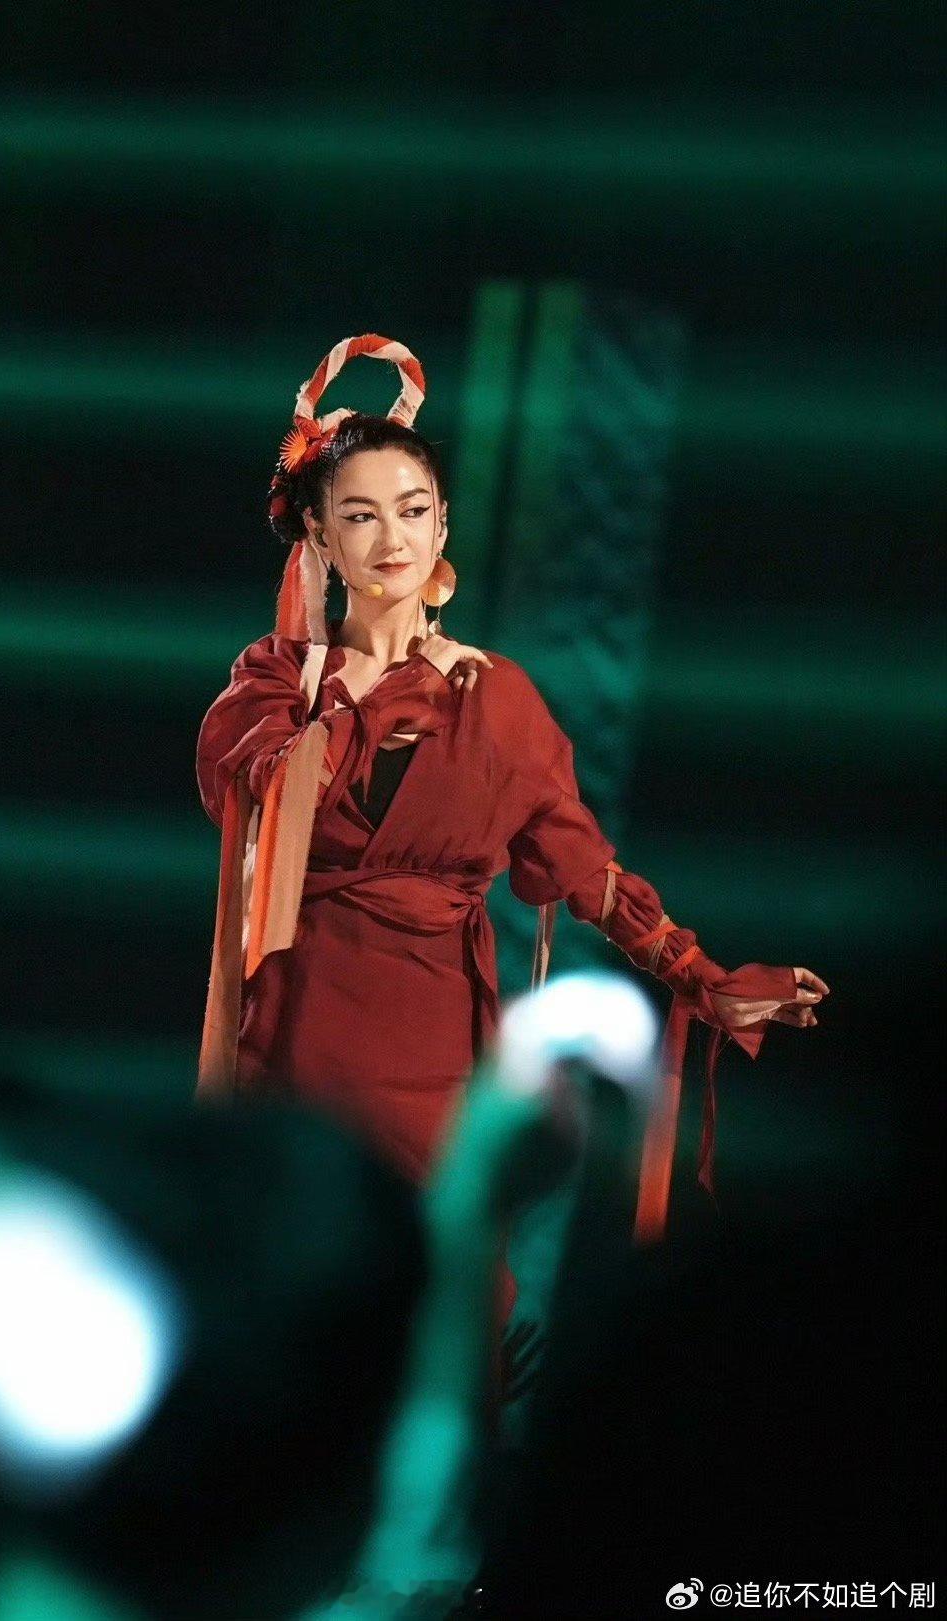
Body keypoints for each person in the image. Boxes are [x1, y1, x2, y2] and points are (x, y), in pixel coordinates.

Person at [194, 333, 829, 1291]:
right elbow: (267, 799)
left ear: (443, 524)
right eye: (360, 515)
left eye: (413, 510)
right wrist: (393, 693)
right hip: (302, 1037)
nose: (392, 537)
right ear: (319, 535)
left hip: (438, 1048)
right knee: (309, 1288)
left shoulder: (497, 697)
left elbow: (583, 869)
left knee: (443, 1290)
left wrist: (705, 978)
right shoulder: (276, 682)